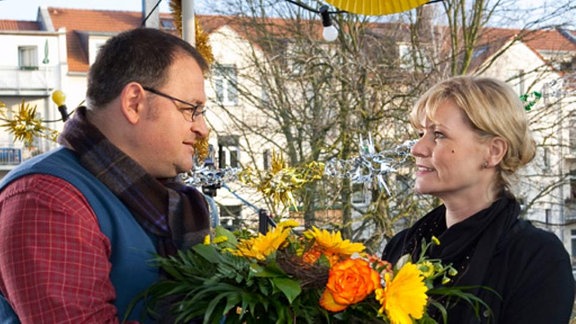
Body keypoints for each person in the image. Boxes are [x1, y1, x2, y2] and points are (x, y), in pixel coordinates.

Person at [0, 27, 212, 323]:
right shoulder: (47, 199)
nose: (203, 129)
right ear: (134, 103)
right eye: (191, 109)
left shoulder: (164, 197)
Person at [382, 76, 575, 323]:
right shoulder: (401, 246)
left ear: (493, 151)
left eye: (438, 134)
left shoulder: (535, 257)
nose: (417, 148)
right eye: (420, 133)